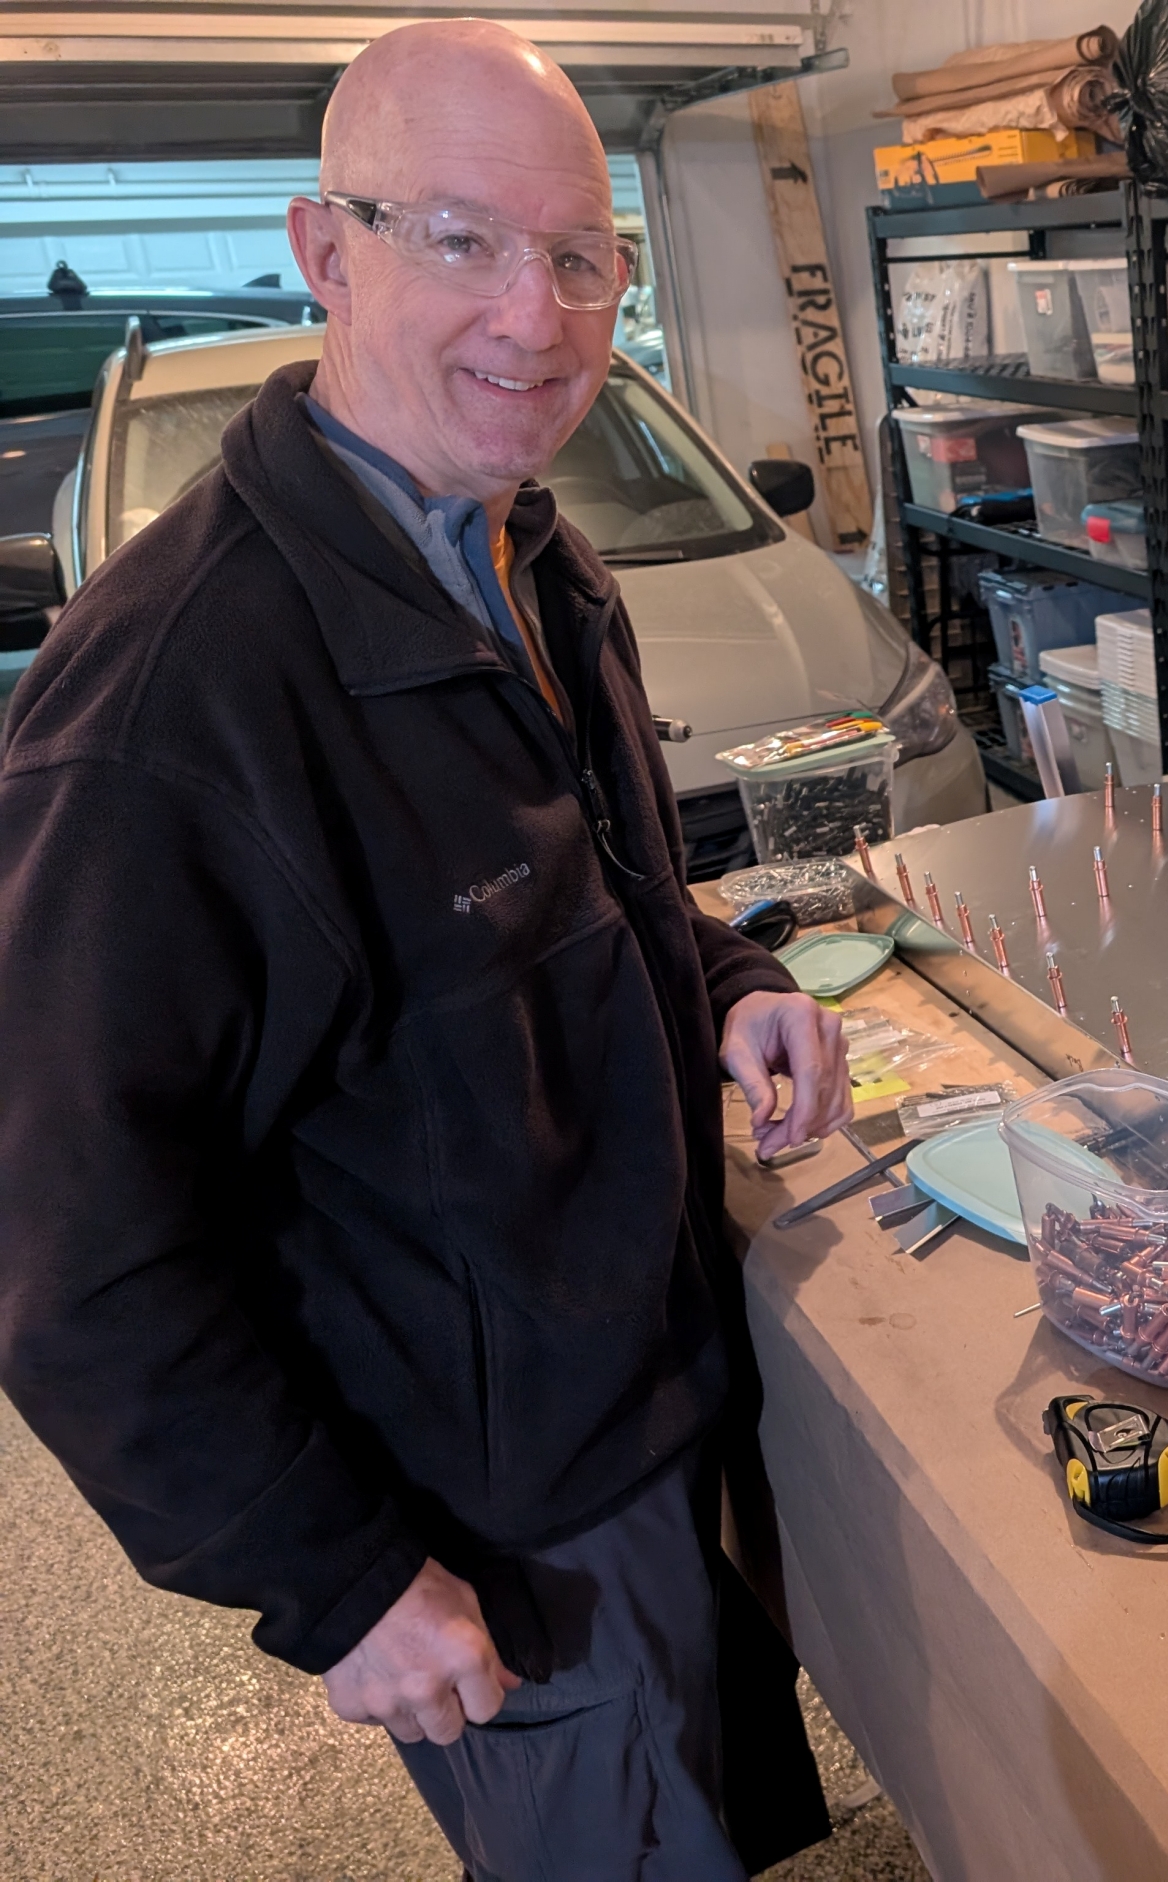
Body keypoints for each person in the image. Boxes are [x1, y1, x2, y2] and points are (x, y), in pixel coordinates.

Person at [0, 22, 847, 1875]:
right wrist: (342, 1575)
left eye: (577, 256)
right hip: (493, 1515)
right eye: (460, 240)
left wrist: (733, 983)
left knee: (725, 1812)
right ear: (326, 249)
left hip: (650, 1394)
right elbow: (71, 1257)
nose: (533, 318)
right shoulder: (169, 707)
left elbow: (609, 886)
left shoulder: (538, 561)